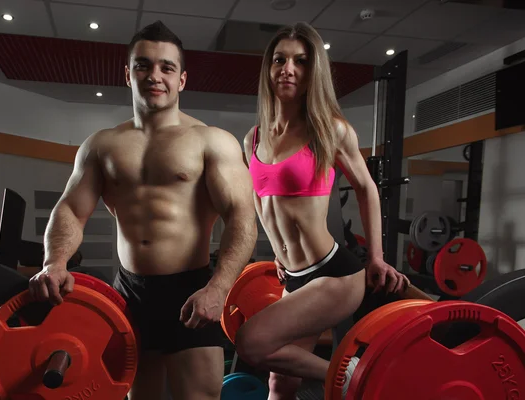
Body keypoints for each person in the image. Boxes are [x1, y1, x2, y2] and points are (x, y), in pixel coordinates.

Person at [28, 21, 257, 400]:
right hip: (130, 292)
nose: (155, 76)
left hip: (192, 288)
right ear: (128, 74)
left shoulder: (211, 141)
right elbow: (70, 209)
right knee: (137, 396)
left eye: (167, 67)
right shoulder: (101, 145)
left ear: (182, 79)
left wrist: (219, 287)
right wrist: (55, 262)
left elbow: (242, 216)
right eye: (143, 65)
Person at [235, 22, 410, 399]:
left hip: (333, 274)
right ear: (268, 68)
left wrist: (377, 259)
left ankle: (360, 376)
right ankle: (352, 379)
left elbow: (366, 188)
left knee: (251, 343)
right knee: (280, 383)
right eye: (280, 59)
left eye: (300, 61)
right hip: (294, 277)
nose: (288, 68)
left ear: (313, 71)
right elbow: (260, 201)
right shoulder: (253, 137)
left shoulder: (330, 130)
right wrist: (277, 254)